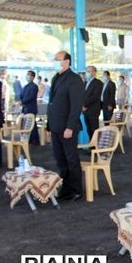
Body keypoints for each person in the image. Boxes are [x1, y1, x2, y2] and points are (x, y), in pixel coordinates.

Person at [47, 51, 85, 201]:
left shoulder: (74, 79)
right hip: (56, 126)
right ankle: (66, 188)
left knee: (71, 159)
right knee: (60, 160)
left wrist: (70, 127)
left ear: (67, 61)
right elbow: (52, 104)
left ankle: (76, 190)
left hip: (67, 127)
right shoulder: (56, 78)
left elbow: (76, 106)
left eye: (58, 59)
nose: (55, 61)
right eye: (54, 59)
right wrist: (49, 126)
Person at [20, 71, 40, 145]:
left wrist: (23, 101)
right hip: (25, 108)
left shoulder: (34, 86)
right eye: (27, 75)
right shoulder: (26, 86)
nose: (27, 76)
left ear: (33, 77)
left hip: (31, 108)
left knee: (32, 124)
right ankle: (30, 139)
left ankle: (35, 140)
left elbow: (31, 97)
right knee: (27, 124)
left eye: (29, 75)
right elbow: (21, 94)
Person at [82, 66, 102, 139]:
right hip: (86, 111)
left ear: (94, 72)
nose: (87, 73)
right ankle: (92, 147)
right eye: (87, 71)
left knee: (94, 130)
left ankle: (96, 148)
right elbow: (82, 95)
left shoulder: (98, 83)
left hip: (93, 110)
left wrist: (84, 104)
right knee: (88, 129)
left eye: (89, 71)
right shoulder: (85, 82)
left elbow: (95, 96)